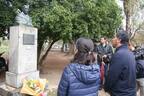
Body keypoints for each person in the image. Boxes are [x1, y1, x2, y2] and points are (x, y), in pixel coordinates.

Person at [104, 31, 136, 96]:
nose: (112, 39)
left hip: (121, 93)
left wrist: (106, 87)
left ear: (119, 40)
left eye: (114, 37)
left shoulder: (119, 55)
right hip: (129, 92)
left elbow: (112, 76)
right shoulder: (130, 53)